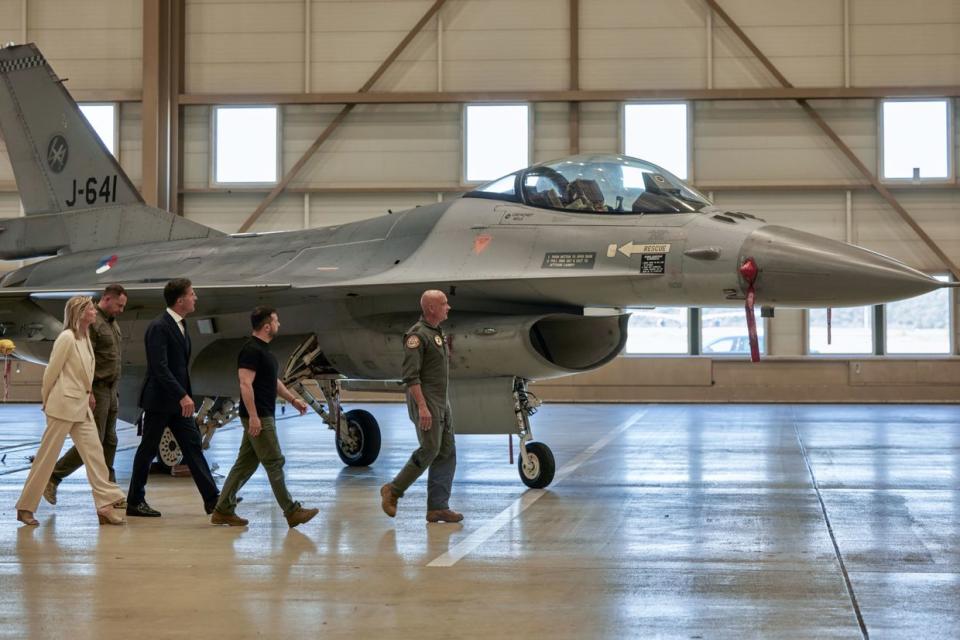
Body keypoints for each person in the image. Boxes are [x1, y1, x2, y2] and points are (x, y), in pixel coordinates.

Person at [15, 296, 126, 526]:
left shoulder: (85, 337)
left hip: (81, 408)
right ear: (80, 312)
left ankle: (105, 506)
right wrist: (46, 403)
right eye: (90, 309)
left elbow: (84, 374)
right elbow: (51, 373)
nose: (94, 311)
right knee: (46, 459)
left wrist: (89, 395)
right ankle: (25, 507)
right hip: (62, 407)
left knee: (95, 456)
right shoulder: (66, 338)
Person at [210, 307, 319, 528]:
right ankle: (291, 511)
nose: (279, 324)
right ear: (267, 326)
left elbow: (273, 381)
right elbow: (245, 383)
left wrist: (293, 400)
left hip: (263, 414)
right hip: (259, 415)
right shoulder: (251, 350)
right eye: (276, 321)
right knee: (274, 461)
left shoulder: (264, 351)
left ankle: (222, 510)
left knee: (244, 465)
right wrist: (253, 416)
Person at [126, 278, 219, 517]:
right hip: (159, 402)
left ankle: (213, 500)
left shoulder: (180, 324)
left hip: (178, 404)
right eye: (192, 293)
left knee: (193, 448)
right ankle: (135, 501)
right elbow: (160, 367)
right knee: (147, 451)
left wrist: (183, 396)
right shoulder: (159, 326)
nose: (195, 297)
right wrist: (182, 395)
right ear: (180, 300)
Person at [380, 290, 463, 523]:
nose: (449, 307)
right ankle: (393, 490)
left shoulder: (436, 332)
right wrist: (423, 407)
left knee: (447, 451)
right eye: (444, 304)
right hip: (426, 402)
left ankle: (438, 506)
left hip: (441, 402)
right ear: (431, 309)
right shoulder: (416, 336)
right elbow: (411, 376)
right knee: (429, 449)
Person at [43, 284, 127, 506]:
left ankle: (109, 491)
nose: (121, 310)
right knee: (92, 442)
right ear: (107, 299)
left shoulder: (111, 323)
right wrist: (88, 390)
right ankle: (54, 476)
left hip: (111, 389)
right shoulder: (93, 323)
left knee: (110, 440)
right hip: (96, 390)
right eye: (119, 305)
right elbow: (85, 360)